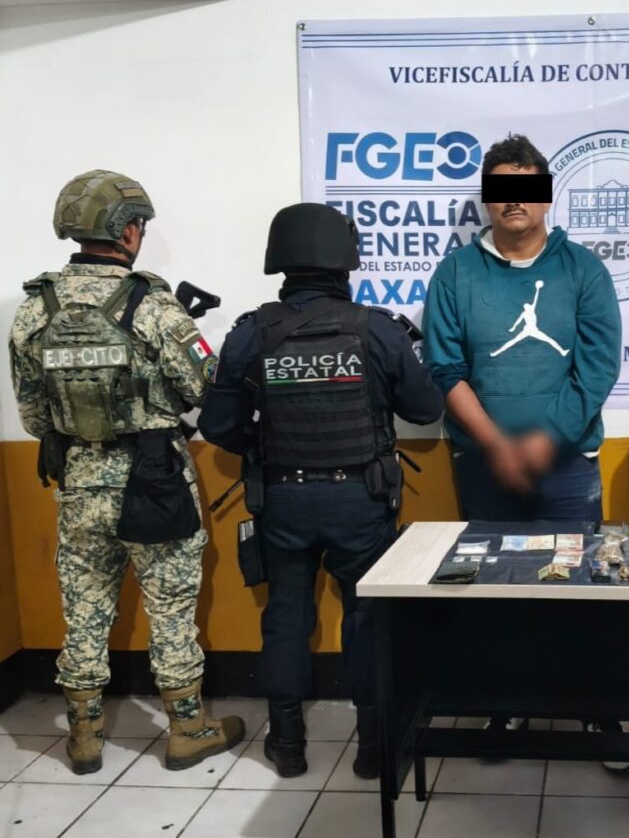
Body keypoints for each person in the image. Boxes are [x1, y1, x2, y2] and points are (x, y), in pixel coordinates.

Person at [8, 169, 245, 775]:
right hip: (155, 479)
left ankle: (84, 736)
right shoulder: (155, 306)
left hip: (80, 481)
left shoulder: (35, 308)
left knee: (84, 605)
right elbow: (205, 388)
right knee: (171, 605)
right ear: (128, 231)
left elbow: (34, 418)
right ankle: (187, 729)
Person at [198, 203, 443, 780]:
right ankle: (374, 748)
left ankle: (287, 744)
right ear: (345, 259)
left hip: (282, 500)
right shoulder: (375, 328)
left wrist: (264, 442)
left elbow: (216, 425)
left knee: (286, 616)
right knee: (366, 618)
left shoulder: (251, 332)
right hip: (361, 499)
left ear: (279, 258)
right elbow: (425, 408)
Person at [422, 133, 626, 762]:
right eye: (502, 189)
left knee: (579, 588)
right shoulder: (455, 273)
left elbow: (597, 368)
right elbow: (445, 369)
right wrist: (497, 446)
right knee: (495, 588)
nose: (514, 201)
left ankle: (595, 710)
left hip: (567, 469)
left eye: (526, 188)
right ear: (487, 199)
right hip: (484, 467)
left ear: (546, 196)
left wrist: (542, 443)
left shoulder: (583, 269)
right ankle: (506, 704)